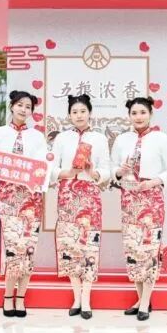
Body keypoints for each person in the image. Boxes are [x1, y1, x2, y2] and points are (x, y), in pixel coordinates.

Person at [111, 96, 167, 321]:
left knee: (149, 249)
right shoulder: (122, 139)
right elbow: (112, 169)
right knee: (133, 249)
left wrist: (153, 182)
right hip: (129, 199)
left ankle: (145, 301)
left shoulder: (161, 138)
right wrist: (120, 171)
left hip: (152, 200)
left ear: (150, 114)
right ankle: (141, 300)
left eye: (143, 112)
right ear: (129, 116)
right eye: (134, 113)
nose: (138, 117)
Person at [0, 90, 48, 318]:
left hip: (31, 198)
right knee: (13, 248)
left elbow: (42, 167)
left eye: (28, 107)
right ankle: (7, 295)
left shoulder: (37, 137)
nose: (23, 109)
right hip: (9, 197)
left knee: (28, 248)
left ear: (32, 112)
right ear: (12, 106)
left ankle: (21, 297)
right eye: (20, 105)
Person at [49, 94, 109, 320]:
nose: (79, 115)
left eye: (83, 111)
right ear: (69, 115)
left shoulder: (99, 138)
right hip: (67, 194)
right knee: (69, 245)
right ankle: (76, 297)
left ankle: (86, 298)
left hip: (90, 196)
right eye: (74, 112)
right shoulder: (62, 138)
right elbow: (51, 168)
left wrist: (93, 172)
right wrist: (68, 172)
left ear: (89, 113)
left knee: (89, 246)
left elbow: (107, 170)